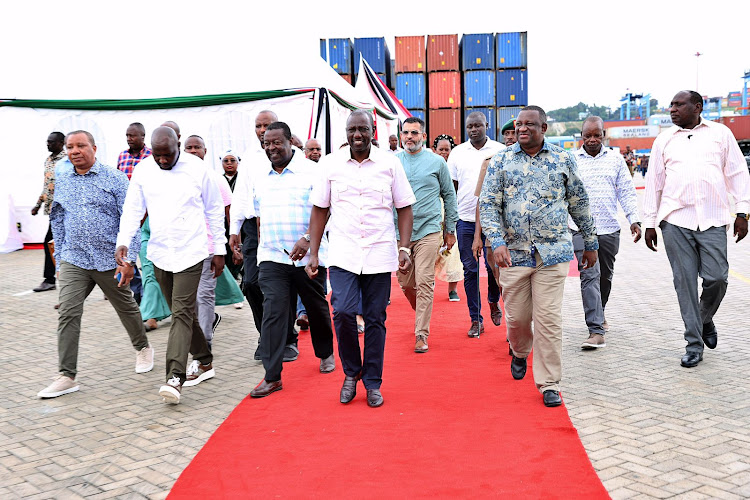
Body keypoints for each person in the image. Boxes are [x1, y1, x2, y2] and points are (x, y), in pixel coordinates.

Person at [479, 105, 598, 408]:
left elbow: (579, 201)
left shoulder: (562, 159)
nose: (522, 129)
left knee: (548, 320)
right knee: (518, 318)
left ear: (544, 128)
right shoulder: (501, 161)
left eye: (530, 124)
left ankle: (549, 383)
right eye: (519, 124)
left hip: (552, 254)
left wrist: (591, 242)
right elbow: (489, 205)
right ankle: (520, 352)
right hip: (513, 255)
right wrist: (496, 241)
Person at [306, 110, 415, 408]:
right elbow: (320, 209)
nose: (357, 135)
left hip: (380, 253)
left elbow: (404, 207)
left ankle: (372, 381)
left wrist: (404, 248)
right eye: (352, 129)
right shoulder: (330, 164)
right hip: (343, 252)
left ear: (372, 131)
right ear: (346, 132)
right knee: (341, 311)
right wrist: (314, 252)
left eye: (363, 129)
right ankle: (351, 373)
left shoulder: (390, 164)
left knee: (376, 319)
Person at [37, 130, 154, 399]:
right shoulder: (62, 179)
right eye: (70, 147)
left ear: (94, 148)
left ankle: (143, 347)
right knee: (67, 312)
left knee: (125, 307)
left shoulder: (113, 178)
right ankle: (67, 375)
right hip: (74, 259)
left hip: (108, 260)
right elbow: (58, 218)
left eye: (81, 145)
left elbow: (131, 220)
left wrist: (128, 260)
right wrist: (60, 256)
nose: (75, 151)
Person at [116, 127, 225, 405]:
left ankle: (174, 378)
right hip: (160, 252)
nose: (163, 160)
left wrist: (219, 250)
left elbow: (213, 210)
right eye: (158, 156)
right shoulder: (143, 171)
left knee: (181, 313)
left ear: (179, 144)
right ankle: (204, 360)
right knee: (182, 313)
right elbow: (132, 210)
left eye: (168, 155)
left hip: (192, 251)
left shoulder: (199, 169)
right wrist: (124, 244)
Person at [643, 90, 750, 368]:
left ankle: (703, 318)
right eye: (671, 105)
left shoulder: (720, 134)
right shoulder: (663, 140)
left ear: (697, 107)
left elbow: (738, 173)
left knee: (717, 278)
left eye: (679, 105)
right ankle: (694, 344)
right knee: (685, 284)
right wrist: (650, 223)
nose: (672, 109)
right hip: (675, 221)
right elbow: (654, 182)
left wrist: (743, 211)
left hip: (714, 218)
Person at [249, 122, 336, 398]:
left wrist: (309, 239)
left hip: (309, 257)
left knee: (315, 306)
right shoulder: (259, 175)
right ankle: (272, 376)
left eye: (276, 142)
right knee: (273, 312)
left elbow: (326, 210)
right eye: (267, 143)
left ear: (290, 142)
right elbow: (259, 215)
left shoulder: (312, 172)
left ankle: (325, 352)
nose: (271, 148)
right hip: (272, 257)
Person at [229, 110, 299, 362]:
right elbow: (241, 195)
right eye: (258, 126)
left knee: (284, 283)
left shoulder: (295, 156)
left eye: (266, 125)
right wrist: (233, 230)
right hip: (252, 228)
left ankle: (288, 338)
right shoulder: (249, 158)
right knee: (250, 283)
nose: (262, 130)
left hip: (281, 224)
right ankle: (266, 335)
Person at [574, 117, 641, 349]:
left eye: (597, 135)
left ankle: (599, 313)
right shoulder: (571, 160)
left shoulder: (615, 160)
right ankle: (595, 329)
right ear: (580, 135)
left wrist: (634, 219)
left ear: (604, 135)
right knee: (589, 275)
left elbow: (626, 191)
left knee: (605, 277)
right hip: (581, 231)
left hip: (609, 229)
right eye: (587, 135)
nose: (592, 140)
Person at [395, 117, 458, 353]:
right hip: (400, 233)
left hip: (429, 229)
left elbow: (449, 196)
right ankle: (421, 310)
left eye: (414, 133)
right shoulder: (392, 162)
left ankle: (421, 333)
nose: (409, 137)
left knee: (424, 280)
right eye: (406, 133)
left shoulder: (437, 162)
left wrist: (449, 229)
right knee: (406, 283)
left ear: (423, 136)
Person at [183, 134, 242, 351]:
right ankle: (204, 327)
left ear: (205, 151)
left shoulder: (216, 178)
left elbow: (230, 213)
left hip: (209, 248)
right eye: (188, 147)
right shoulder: (176, 178)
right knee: (188, 299)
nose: (193, 151)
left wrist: (234, 245)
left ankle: (205, 343)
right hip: (183, 249)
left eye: (197, 147)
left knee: (203, 295)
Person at [448, 111, 504, 337]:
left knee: (494, 268)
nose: (473, 130)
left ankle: (493, 300)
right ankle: (475, 319)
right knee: (470, 271)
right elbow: (451, 187)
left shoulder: (500, 151)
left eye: (478, 126)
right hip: (465, 220)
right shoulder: (457, 153)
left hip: (494, 221)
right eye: (469, 126)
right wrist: (450, 220)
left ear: (486, 125)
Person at [31, 132, 67, 293]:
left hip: (65, 211)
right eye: (47, 142)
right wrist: (38, 205)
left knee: (51, 243)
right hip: (52, 212)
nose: (48, 144)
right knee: (53, 244)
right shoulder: (48, 161)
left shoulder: (67, 160)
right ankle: (52, 279)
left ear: (61, 143)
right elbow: (47, 186)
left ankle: (50, 279)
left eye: (51, 142)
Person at [432, 134, 463, 301]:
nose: (444, 153)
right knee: (430, 249)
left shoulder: (456, 166)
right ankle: (428, 284)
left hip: (451, 211)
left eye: (447, 150)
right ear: (434, 150)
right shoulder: (430, 165)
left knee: (453, 252)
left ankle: (453, 290)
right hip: (433, 211)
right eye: (441, 150)